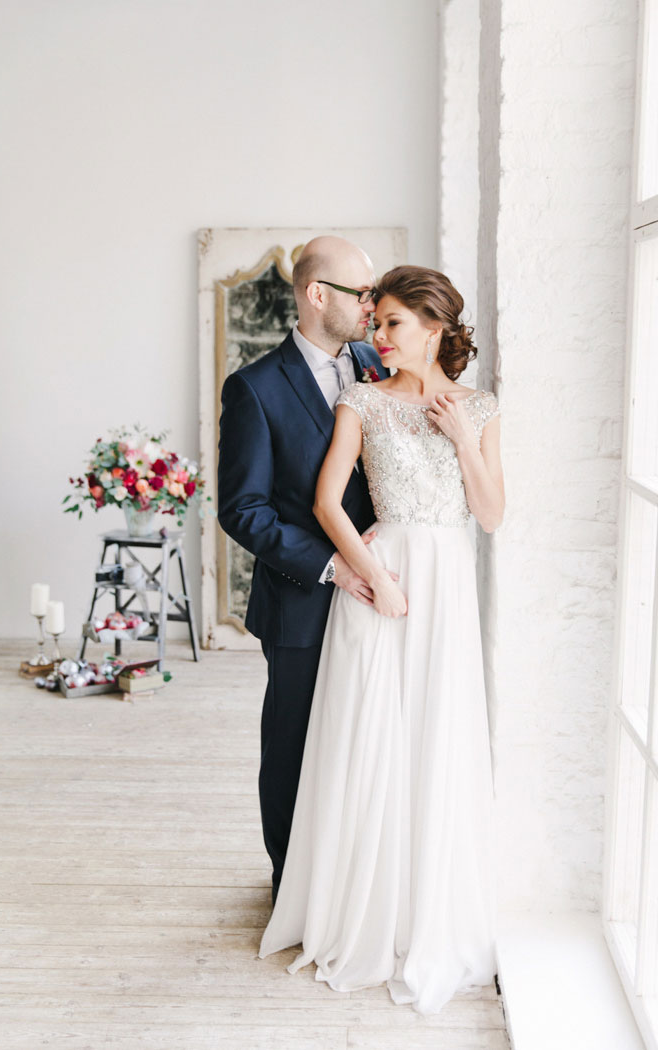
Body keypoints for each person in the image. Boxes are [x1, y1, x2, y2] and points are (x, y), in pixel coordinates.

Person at [258, 264, 505, 1016]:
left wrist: (463, 437)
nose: (378, 335)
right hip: (384, 575)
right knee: (371, 741)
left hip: (448, 585)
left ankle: (424, 912)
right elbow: (327, 502)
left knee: (435, 737)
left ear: (434, 328)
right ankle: (359, 913)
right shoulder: (359, 400)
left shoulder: (483, 408)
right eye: (376, 322)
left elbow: (491, 515)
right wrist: (375, 575)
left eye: (393, 322)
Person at [217, 236, 389, 906]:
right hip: (304, 602)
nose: (373, 306)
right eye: (362, 293)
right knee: (292, 744)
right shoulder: (254, 389)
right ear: (318, 296)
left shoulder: (382, 364)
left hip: (384, 592)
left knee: (367, 738)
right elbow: (244, 510)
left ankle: (358, 879)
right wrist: (332, 567)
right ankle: (292, 889)